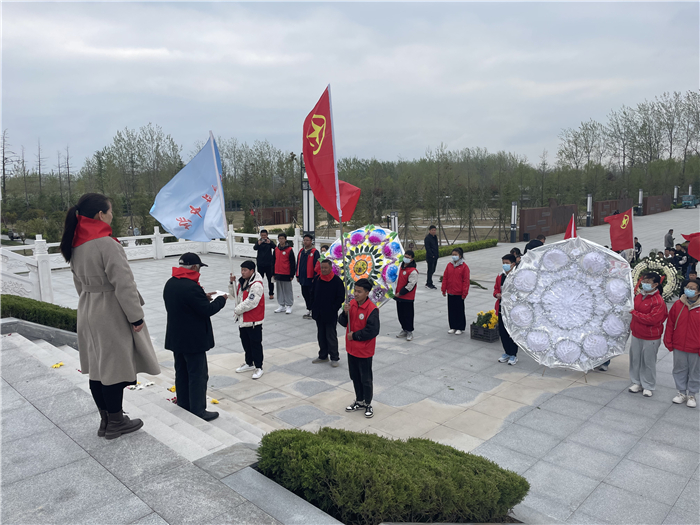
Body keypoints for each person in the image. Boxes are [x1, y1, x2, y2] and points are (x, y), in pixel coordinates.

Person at [60, 193, 160, 440]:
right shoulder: (107, 244)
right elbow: (124, 284)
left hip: (87, 308)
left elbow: (78, 284)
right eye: (111, 211)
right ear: (100, 215)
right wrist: (136, 317)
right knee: (114, 368)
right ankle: (116, 421)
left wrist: (90, 301)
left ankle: (106, 420)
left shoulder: (76, 244)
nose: (112, 215)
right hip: (110, 311)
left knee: (97, 368)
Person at [163, 253, 228, 422]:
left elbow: (184, 304)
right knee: (197, 375)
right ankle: (199, 410)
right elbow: (206, 310)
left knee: (182, 372)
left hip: (176, 337)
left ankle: (184, 403)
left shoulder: (170, 283)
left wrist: (202, 297)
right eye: (199, 268)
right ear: (193, 267)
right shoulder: (192, 287)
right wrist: (221, 300)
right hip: (193, 340)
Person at [339, 278, 380, 419]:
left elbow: (372, 330)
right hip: (351, 349)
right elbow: (343, 322)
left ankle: (368, 403)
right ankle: (359, 400)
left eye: (359, 291)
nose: (355, 294)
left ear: (367, 293)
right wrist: (345, 313)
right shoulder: (351, 304)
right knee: (354, 376)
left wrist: (355, 335)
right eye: (355, 290)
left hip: (364, 350)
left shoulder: (372, 309)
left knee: (366, 378)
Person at [628, 272, 668, 397]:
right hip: (636, 333)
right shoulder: (639, 296)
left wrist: (634, 313)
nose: (644, 284)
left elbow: (652, 319)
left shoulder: (658, 301)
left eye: (648, 282)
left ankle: (648, 385)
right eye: (644, 281)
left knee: (648, 361)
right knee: (635, 359)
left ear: (655, 284)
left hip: (650, 336)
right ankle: (636, 382)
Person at [665, 279, 700, 408]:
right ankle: (681, 392)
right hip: (679, 344)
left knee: (695, 371)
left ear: (698, 291)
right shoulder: (678, 305)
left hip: (696, 347)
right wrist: (668, 340)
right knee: (679, 369)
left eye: (692, 288)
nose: (689, 290)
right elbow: (670, 324)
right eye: (687, 287)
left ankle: (692, 394)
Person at [230, 260, 266, 379]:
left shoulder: (256, 285)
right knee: (245, 342)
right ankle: (249, 362)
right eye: (242, 270)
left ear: (252, 271)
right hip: (243, 319)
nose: (243, 272)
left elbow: (251, 302)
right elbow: (234, 296)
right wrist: (232, 283)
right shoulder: (243, 282)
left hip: (253, 319)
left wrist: (237, 310)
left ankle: (259, 367)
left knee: (255, 343)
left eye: (245, 270)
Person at [311, 259, 345, 366]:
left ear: (331, 268)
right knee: (321, 335)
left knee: (331, 335)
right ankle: (323, 355)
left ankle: (334, 357)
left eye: (326, 268)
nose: (324, 270)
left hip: (330, 313)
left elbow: (340, 297)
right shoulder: (317, 279)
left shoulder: (337, 281)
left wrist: (334, 307)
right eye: (322, 268)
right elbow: (312, 293)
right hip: (319, 313)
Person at [494, 254, 519, 365]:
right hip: (501, 308)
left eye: (507, 263)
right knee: (503, 332)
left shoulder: (518, 277)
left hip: (512, 310)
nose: (505, 265)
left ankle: (513, 354)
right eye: (503, 263)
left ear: (513, 264)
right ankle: (507, 352)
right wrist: (497, 294)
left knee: (512, 332)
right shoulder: (500, 276)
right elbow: (495, 290)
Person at [441, 247, 470, 335]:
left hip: (459, 292)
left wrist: (464, 292)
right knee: (451, 310)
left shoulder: (464, 267)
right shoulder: (449, 265)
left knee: (459, 310)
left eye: (455, 255)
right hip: (450, 291)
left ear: (460, 256)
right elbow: (445, 277)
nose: (454, 256)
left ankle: (460, 327)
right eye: (453, 255)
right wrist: (444, 288)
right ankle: (453, 326)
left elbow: (466, 281)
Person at [394, 250, 418, 341]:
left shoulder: (413, 271)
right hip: (398, 296)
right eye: (405, 257)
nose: (406, 259)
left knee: (408, 315)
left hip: (407, 297)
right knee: (401, 314)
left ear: (412, 259)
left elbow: (410, 285)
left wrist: (401, 292)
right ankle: (404, 329)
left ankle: (409, 331)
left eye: (408, 257)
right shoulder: (400, 267)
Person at [297, 234, 320, 319]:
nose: (305, 242)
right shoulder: (301, 251)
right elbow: (298, 264)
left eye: (307, 240)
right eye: (304, 240)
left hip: (311, 277)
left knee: (312, 294)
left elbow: (317, 266)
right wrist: (297, 275)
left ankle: (313, 310)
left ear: (311, 241)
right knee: (305, 293)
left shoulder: (314, 252)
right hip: (303, 277)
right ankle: (309, 309)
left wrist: (315, 277)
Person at [273, 233, 296, 314]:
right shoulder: (276, 249)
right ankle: (281, 305)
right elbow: (273, 261)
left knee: (287, 290)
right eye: (279, 238)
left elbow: (292, 262)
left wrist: (292, 274)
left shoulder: (289, 250)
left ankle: (289, 305)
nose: (281, 240)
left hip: (286, 272)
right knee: (279, 290)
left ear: (285, 239)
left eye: (282, 238)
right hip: (277, 272)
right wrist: (273, 273)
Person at [253, 229, 275, 300]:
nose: (263, 237)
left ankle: (271, 293)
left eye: (265, 235)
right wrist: (258, 244)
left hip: (269, 264)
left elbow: (275, 247)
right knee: (259, 279)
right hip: (260, 263)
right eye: (262, 235)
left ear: (267, 235)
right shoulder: (259, 242)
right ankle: (259, 293)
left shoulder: (269, 242)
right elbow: (254, 248)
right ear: (260, 235)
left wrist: (270, 243)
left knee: (270, 279)